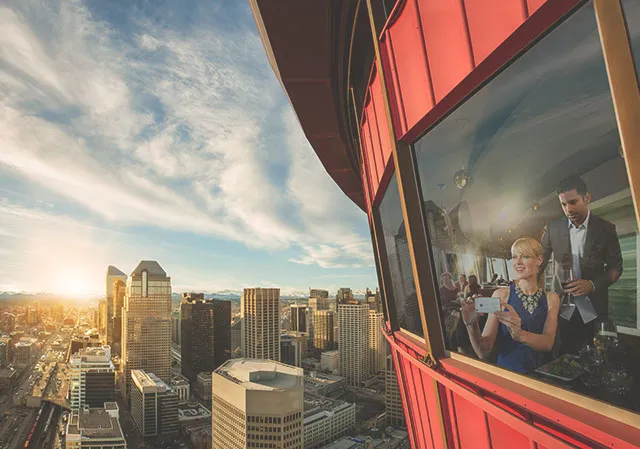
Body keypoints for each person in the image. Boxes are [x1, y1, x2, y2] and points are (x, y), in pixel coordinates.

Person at [540, 176, 623, 354]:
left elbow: (616, 268)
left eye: (573, 202)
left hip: (593, 309)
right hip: (560, 307)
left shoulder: (606, 229)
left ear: (587, 198)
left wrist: (592, 285)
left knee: (593, 357)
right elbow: (538, 261)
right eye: (563, 204)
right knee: (560, 356)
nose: (568, 209)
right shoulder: (552, 228)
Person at [461, 238, 560, 374]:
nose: (518, 262)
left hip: (542, 377)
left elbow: (548, 343)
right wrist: (471, 325)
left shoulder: (552, 299)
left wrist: (520, 334)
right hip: (509, 375)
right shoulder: (500, 295)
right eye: (514, 257)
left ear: (539, 260)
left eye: (525, 256)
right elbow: (483, 351)